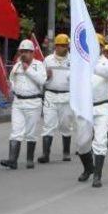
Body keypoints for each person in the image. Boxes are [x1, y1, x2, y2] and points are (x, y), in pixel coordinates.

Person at [74, 34, 108, 188]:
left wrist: (91, 64)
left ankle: (97, 175)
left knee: (100, 141)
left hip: (102, 106)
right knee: (82, 142)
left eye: (97, 45)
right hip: (84, 107)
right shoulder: (79, 63)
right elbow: (69, 79)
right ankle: (88, 168)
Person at [0, 39, 47, 170]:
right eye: (22, 52)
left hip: (34, 102)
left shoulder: (39, 65)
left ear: (33, 53)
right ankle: (12, 160)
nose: (24, 54)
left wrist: (28, 70)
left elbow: (42, 80)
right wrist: (11, 87)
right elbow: (12, 80)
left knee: (31, 132)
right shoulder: (16, 66)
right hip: (18, 102)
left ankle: (30, 159)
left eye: (27, 51)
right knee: (16, 131)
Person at [39, 34, 73, 164]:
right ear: (56, 46)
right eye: (61, 45)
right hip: (50, 95)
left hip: (66, 96)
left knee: (65, 124)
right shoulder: (48, 60)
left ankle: (66, 152)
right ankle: (45, 154)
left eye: (65, 46)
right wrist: (46, 77)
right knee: (48, 124)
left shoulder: (73, 60)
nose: (63, 48)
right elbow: (41, 78)